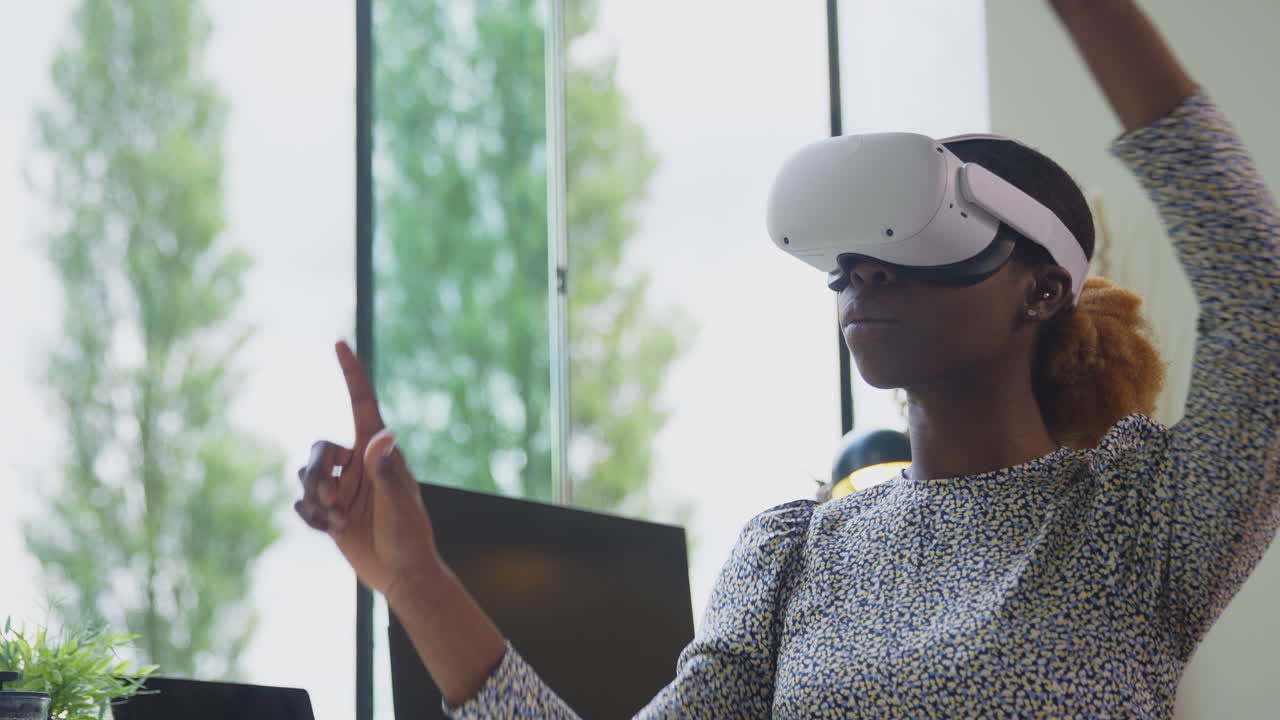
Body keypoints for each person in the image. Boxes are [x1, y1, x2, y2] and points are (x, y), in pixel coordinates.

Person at [294, 0, 1280, 716]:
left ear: (1040, 287)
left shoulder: (1136, 519)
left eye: (906, 237)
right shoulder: (794, 553)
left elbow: (1260, 303)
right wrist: (415, 577)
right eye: (847, 259)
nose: (862, 273)